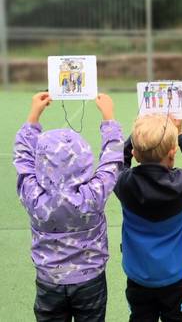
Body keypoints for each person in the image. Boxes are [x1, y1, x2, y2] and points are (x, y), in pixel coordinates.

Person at [13, 92, 123, 322]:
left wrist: (33, 116)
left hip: (48, 281)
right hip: (90, 280)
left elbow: (22, 159)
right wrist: (108, 118)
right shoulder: (92, 194)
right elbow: (112, 162)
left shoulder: (33, 196)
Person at [113, 114, 182, 322]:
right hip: (175, 276)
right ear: (173, 154)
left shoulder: (124, 184)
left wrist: (136, 135)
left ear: (135, 154)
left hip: (138, 277)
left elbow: (119, 162)